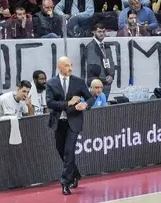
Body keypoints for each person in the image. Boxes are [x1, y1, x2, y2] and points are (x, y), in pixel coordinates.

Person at [46, 56, 94, 195]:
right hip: (58, 122)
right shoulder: (51, 83)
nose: (70, 68)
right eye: (67, 65)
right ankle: (75, 175)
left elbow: (90, 98)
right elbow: (50, 103)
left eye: (70, 65)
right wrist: (68, 103)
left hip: (74, 122)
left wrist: (85, 104)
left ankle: (65, 182)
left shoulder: (78, 82)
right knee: (61, 150)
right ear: (59, 67)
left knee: (69, 151)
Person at [86, 23, 115, 98]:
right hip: (97, 84)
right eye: (99, 32)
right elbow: (93, 68)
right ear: (94, 32)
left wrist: (111, 76)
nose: (102, 34)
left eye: (103, 31)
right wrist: (104, 79)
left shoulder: (106, 46)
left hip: (107, 82)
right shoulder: (90, 46)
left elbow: (111, 63)